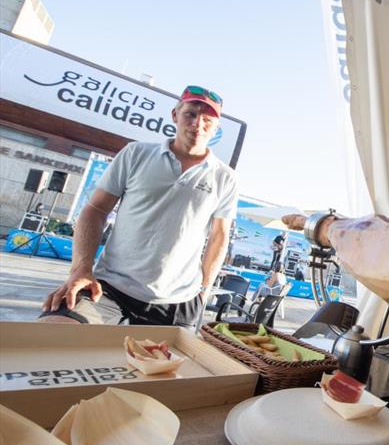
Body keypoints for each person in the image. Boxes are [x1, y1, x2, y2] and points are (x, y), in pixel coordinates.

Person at [40, 85, 239, 327]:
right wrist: (81, 269)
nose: (198, 124)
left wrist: (204, 290)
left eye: (208, 119)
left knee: (163, 364)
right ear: (175, 115)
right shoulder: (136, 153)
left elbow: (219, 236)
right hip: (109, 286)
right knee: (50, 333)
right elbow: (95, 210)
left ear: (216, 128)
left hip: (178, 300)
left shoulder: (225, 177)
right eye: (191, 114)